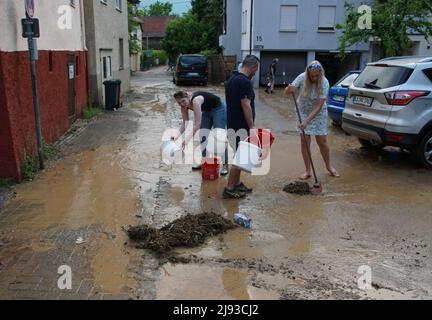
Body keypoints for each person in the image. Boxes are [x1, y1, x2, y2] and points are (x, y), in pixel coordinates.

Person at [284, 60, 340, 180]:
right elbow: (287, 92)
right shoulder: (302, 78)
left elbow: (319, 106)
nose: (314, 77)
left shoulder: (324, 82)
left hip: (318, 113)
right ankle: (307, 171)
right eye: (312, 75)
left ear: (320, 73)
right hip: (303, 111)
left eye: (316, 75)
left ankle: (329, 166)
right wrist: (289, 90)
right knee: (304, 141)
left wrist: (306, 121)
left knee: (322, 141)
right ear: (308, 73)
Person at [223, 55, 260, 199]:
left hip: (232, 123)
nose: (255, 73)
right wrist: (252, 126)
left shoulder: (232, 79)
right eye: (256, 69)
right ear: (253, 68)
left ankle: (237, 184)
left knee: (239, 154)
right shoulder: (245, 82)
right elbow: (246, 104)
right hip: (241, 125)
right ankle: (229, 188)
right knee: (241, 158)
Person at [173, 91, 229, 176]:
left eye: (183, 101)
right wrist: (176, 136)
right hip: (206, 111)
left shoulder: (196, 101)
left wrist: (186, 140)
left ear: (188, 97)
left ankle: (225, 165)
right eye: (179, 103)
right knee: (203, 136)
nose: (182, 104)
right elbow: (185, 123)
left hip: (218, 109)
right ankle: (205, 162)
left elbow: (197, 124)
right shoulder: (183, 106)